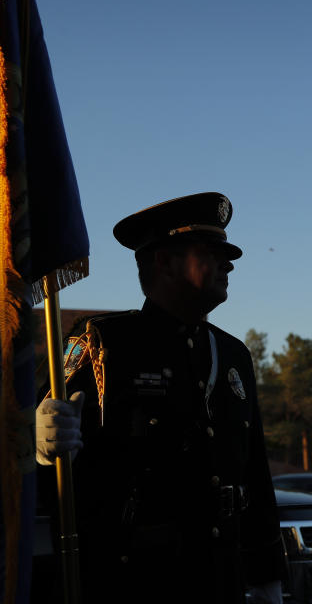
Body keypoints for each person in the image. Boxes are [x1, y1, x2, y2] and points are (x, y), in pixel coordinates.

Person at [35, 192, 284, 604]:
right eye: (213, 252)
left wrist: (267, 576)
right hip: (136, 581)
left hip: (221, 578)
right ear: (164, 261)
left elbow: (254, 471)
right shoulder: (102, 342)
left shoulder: (234, 354)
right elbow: (47, 457)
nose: (229, 263)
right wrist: (42, 444)